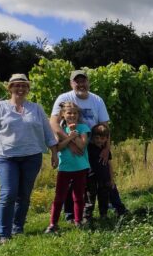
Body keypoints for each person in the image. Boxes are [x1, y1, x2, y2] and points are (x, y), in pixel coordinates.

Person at [0, 73, 59, 244]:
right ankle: (4, 233)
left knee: (24, 195)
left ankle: (18, 228)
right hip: (5, 156)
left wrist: (54, 152)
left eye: (24, 85)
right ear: (10, 88)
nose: (20, 88)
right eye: (17, 85)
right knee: (8, 193)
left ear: (28, 89)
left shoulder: (36, 108)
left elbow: (48, 132)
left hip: (32, 157)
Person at [50, 70, 128, 218]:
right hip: (70, 142)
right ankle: (71, 214)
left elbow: (105, 125)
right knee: (72, 178)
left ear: (88, 82)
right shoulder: (64, 97)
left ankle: (118, 208)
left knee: (105, 178)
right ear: (71, 83)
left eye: (83, 81)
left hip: (94, 145)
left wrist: (106, 148)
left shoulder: (97, 100)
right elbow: (53, 122)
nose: (81, 84)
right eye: (77, 81)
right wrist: (70, 142)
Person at [46, 102, 90, 233]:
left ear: (78, 115)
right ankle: (53, 224)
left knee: (79, 196)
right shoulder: (59, 130)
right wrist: (69, 137)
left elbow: (82, 146)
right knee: (59, 197)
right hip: (64, 168)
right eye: (69, 113)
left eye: (75, 113)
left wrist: (72, 133)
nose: (72, 115)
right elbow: (58, 147)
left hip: (81, 167)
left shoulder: (83, 128)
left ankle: (78, 221)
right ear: (63, 115)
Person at [84, 124, 116, 223]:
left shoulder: (106, 151)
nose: (99, 140)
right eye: (97, 138)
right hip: (91, 177)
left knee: (104, 197)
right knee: (90, 198)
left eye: (102, 138)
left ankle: (104, 215)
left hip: (104, 178)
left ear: (106, 139)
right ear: (92, 137)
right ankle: (87, 217)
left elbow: (109, 165)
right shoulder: (88, 148)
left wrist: (111, 179)